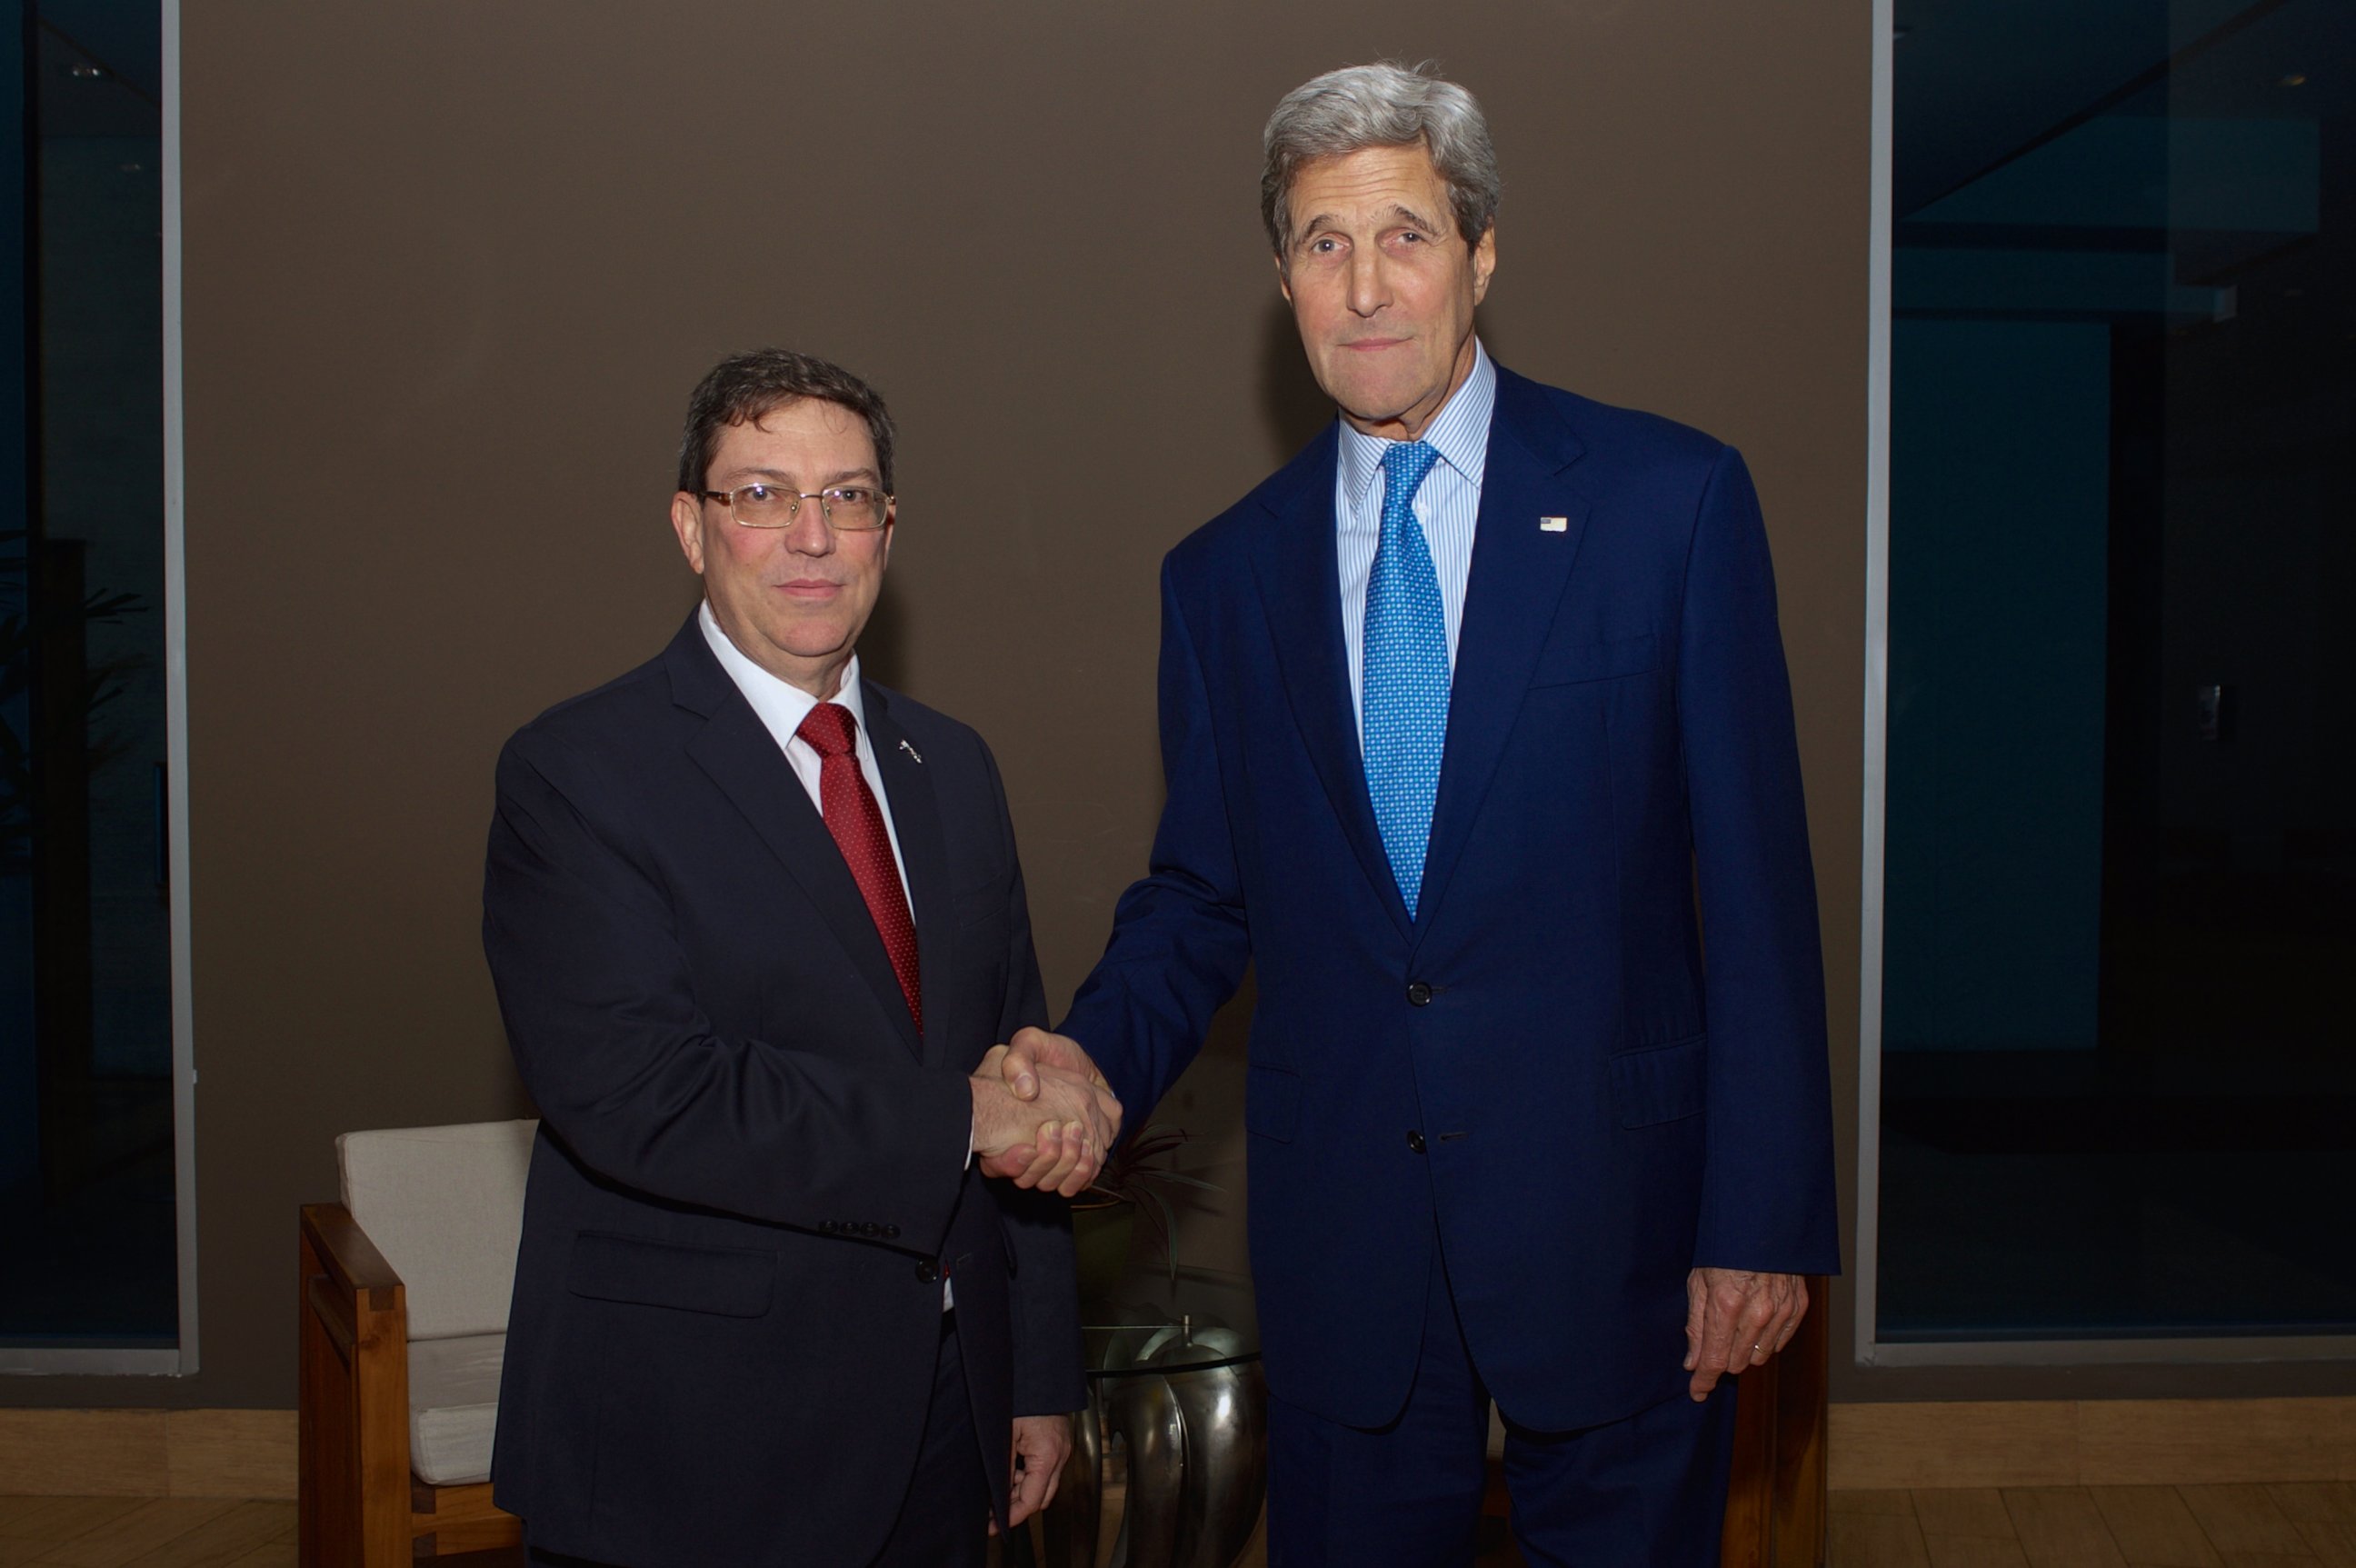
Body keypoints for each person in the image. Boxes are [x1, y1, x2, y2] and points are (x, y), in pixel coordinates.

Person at [994, 63, 1839, 1565]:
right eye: (1324, 242)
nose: (1366, 286)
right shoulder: (1222, 577)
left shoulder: (1669, 502)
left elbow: (1753, 893)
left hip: (1621, 1231)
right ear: (1281, 279)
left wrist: (1760, 1216)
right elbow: (1202, 894)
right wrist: (1087, 1062)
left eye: (1406, 235)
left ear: (1483, 251)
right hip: (1351, 1251)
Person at [481, 348, 1117, 1568]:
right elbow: (641, 1096)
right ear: (691, 527)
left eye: (849, 496)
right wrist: (955, 1122)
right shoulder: (577, 775)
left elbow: (1013, 1053)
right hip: (697, 1437)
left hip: (942, 1421)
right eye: (762, 494)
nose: (812, 536)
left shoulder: (957, 769)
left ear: (889, 528)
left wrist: (1036, 1370)